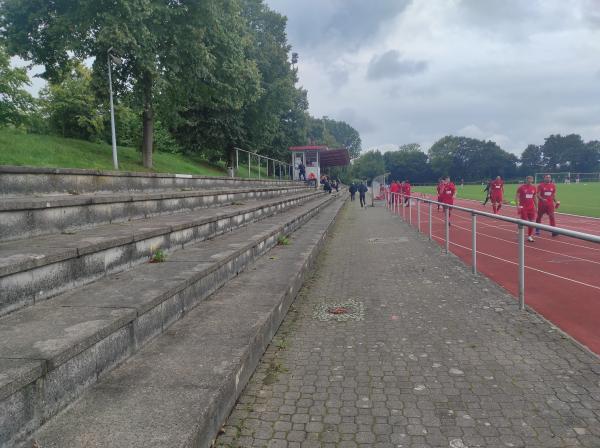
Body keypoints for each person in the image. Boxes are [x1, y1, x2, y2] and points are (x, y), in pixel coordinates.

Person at [516, 176, 538, 242]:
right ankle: (520, 232)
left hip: (531, 207)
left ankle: (529, 236)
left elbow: (534, 197)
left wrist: (536, 207)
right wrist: (517, 206)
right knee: (524, 221)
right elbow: (517, 197)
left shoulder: (534, 187)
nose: (529, 180)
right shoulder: (521, 187)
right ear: (526, 180)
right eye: (528, 179)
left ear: (532, 180)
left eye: (531, 179)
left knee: (532, 222)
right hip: (523, 207)